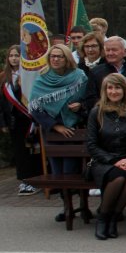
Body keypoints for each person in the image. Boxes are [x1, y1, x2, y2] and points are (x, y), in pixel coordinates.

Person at [85, 73, 126, 240]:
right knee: (117, 178)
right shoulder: (97, 112)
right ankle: (103, 217)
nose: (114, 91)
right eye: (110, 88)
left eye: (117, 87)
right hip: (104, 161)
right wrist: (114, 161)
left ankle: (114, 218)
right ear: (105, 90)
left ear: (124, 90)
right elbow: (92, 145)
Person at [30, 45, 88, 183]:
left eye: (59, 56)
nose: (55, 59)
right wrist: (56, 126)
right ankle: (65, 203)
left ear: (67, 58)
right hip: (52, 130)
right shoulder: (42, 78)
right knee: (57, 174)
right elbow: (34, 108)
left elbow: (88, 99)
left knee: (71, 172)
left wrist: (80, 106)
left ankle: (78, 203)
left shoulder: (79, 76)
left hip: (74, 129)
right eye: (52, 56)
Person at [2, 44, 42, 196]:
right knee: (20, 152)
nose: (13, 59)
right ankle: (25, 180)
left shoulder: (30, 75)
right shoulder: (3, 77)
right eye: (11, 56)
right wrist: (3, 123)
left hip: (30, 120)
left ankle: (37, 178)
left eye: (17, 55)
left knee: (34, 150)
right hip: (14, 121)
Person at [83, 36, 126, 112]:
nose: (110, 53)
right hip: (106, 116)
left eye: (114, 50)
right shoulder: (96, 72)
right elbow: (91, 98)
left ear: (125, 52)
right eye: (107, 50)